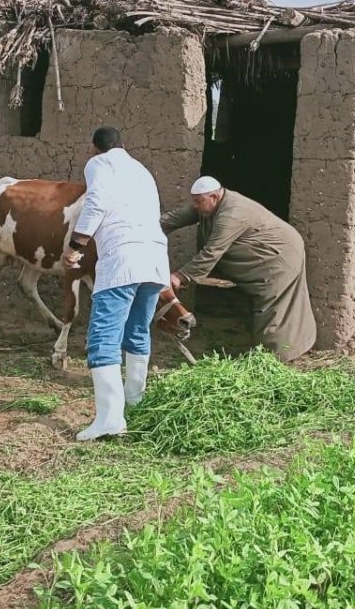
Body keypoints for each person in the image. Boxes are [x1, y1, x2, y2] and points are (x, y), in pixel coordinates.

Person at [62, 126, 170, 441]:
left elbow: (96, 201)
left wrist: (75, 246)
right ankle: (135, 401)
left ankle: (110, 418)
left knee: (102, 340)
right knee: (137, 331)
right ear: (123, 144)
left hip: (123, 260)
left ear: (96, 148)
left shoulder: (100, 164)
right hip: (154, 261)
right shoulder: (141, 170)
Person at [161, 177, 316, 362]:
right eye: (193, 201)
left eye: (198, 201)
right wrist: (143, 229)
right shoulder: (207, 205)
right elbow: (173, 219)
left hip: (279, 256)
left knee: (274, 305)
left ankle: (277, 357)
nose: (194, 206)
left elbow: (212, 252)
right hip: (272, 252)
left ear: (214, 197)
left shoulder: (231, 214)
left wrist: (180, 276)